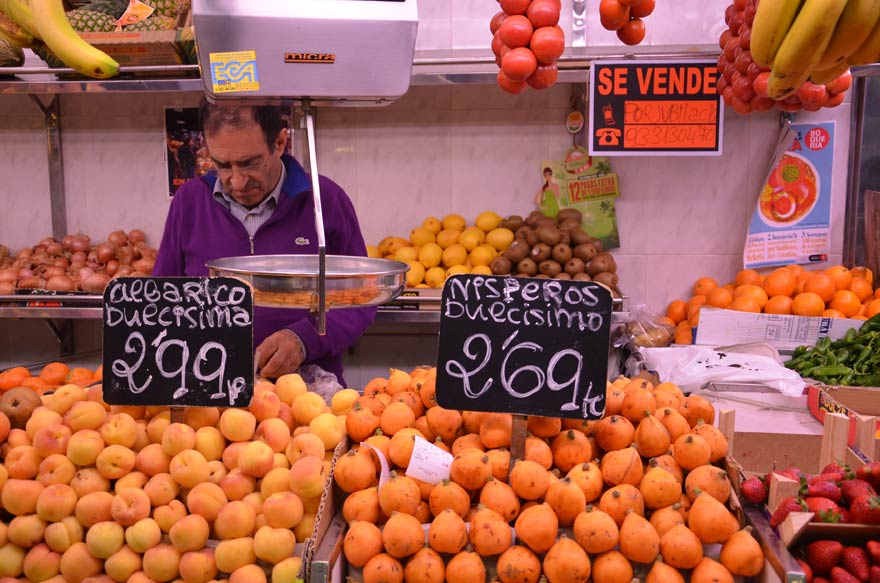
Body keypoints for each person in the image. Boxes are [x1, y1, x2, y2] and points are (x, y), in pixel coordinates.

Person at [153, 101, 376, 386]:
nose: (237, 181)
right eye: (222, 165)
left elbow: (361, 300)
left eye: (249, 163)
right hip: (211, 388)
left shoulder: (325, 200)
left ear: (280, 142)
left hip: (306, 394)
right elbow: (162, 297)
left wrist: (303, 340)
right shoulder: (189, 202)